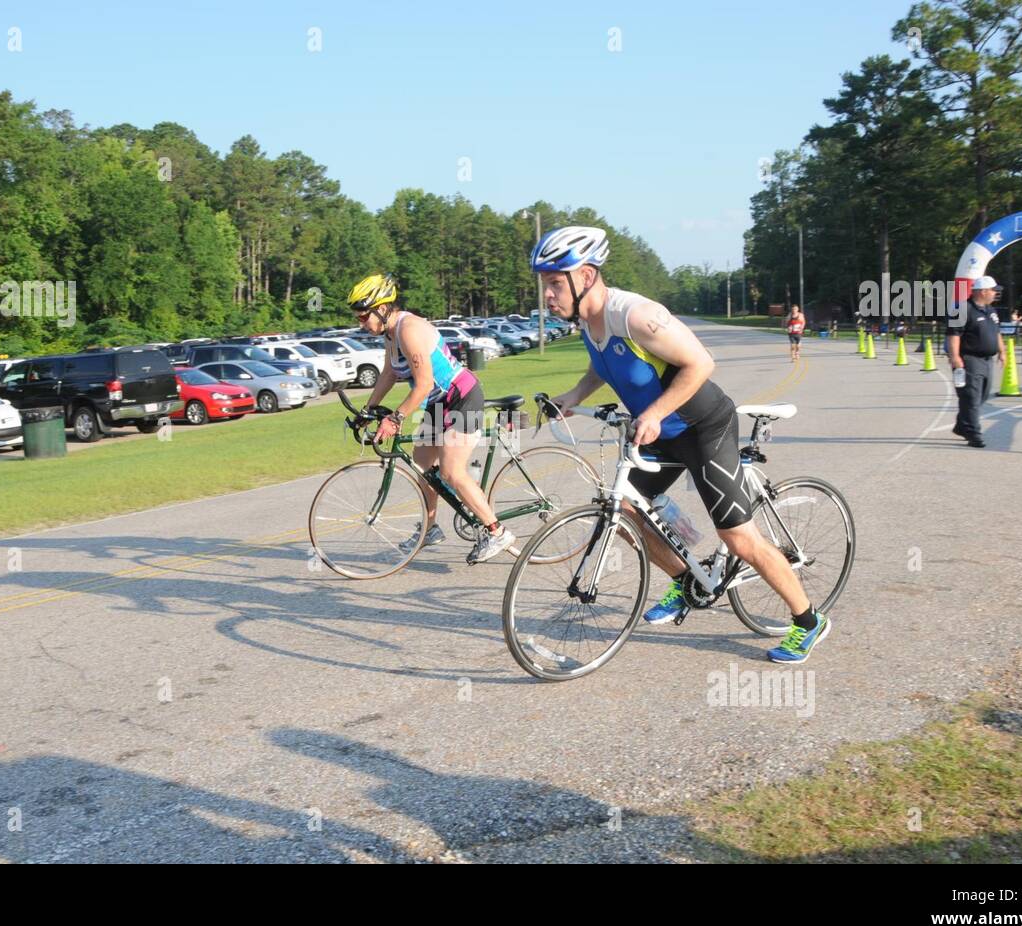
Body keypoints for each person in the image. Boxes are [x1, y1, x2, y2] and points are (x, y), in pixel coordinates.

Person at [532, 225, 831, 664]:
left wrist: (653, 412)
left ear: (588, 276)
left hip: (703, 427)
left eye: (556, 283)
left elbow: (700, 363)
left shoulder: (636, 314)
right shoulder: (587, 323)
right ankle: (687, 581)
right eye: (546, 285)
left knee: (738, 539)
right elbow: (604, 366)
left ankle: (808, 621)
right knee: (628, 509)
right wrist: (575, 396)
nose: (548, 295)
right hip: (659, 433)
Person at [348, 274, 515, 564]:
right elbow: (389, 374)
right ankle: (430, 528)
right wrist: (368, 410)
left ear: (383, 308)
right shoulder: (390, 334)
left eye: (364, 316)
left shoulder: (409, 329)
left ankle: (496, 531)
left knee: (451, 470)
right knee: (423, 465)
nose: (361, 323)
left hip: (462, 397)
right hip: (440, 403)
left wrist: (395, 419)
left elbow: (423, 384)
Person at [950, 276, 1006, 448]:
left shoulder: (991, 311)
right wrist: (955, 356)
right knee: (971, 397)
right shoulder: (962, 309)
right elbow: (953, 334)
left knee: (981, 396)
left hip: (987, 360)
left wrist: (1002, 351)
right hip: (969, 359)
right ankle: (974, 434)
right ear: (982, 291)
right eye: (993, 290)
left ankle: (962, 425)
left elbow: (996, 333)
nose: (995, 293)